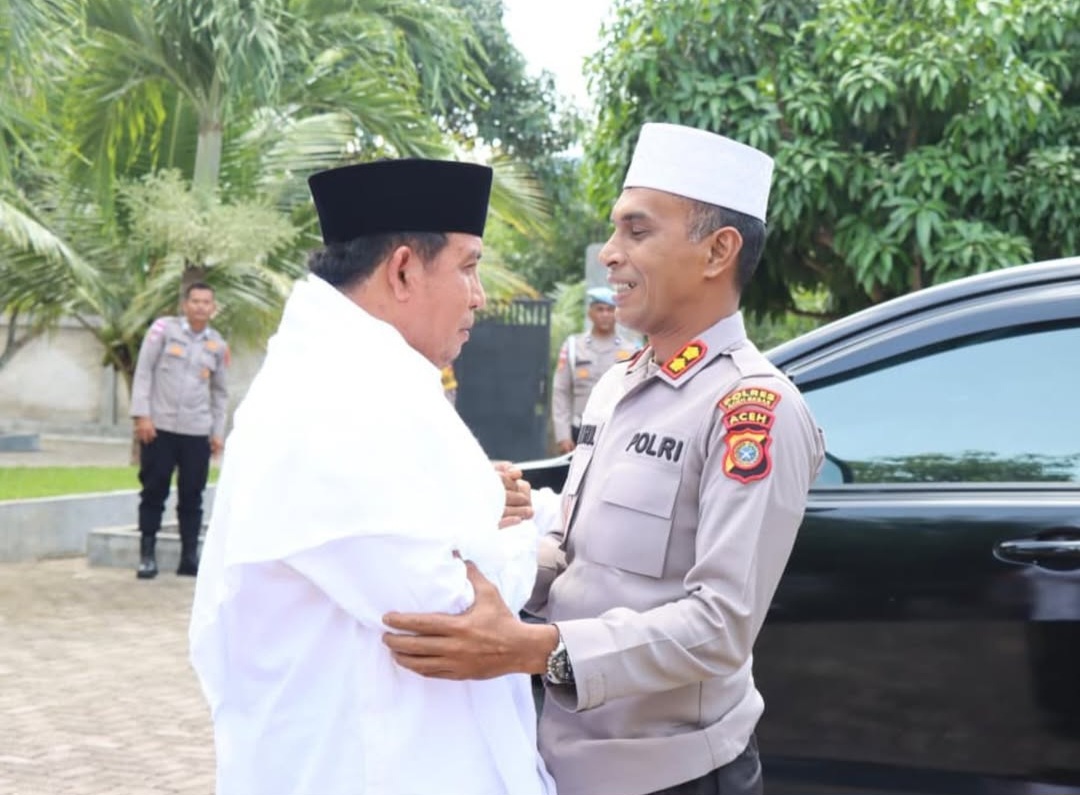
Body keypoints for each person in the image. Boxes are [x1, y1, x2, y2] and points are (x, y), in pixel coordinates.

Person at [383, 123, 826, 795]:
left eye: (637, 232)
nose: (610, 256)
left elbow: (719, 628)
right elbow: (570, 551)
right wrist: (475, 561)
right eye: (615, 233)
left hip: (674, 774)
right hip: (563, 756)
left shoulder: (753, 410)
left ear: (718, 251)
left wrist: (531, 647)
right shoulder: (620, 383)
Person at [187, 158, 555, 795]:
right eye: (468, 266)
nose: (480, 295)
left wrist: (485, 512)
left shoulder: (369, 381)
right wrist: (534, 539)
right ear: (405, 270)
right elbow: (451, 609)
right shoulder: (331, 400)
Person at [130, 281, 228, 579]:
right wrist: (142, 415)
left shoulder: (218, 345)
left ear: (213, 308)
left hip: (196, 431)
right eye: (195, 301)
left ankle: (189, 558)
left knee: (192, 495)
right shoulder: (163, 330)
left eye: (206, 302)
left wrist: (217, 432)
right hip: (159, 428)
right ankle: (147, 556)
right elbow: (144, 371)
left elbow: (220, 393)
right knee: (153, 490)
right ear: (185, 305)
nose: (200, 306)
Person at [551, 286, 637, 453]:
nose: (605, 315)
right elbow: (561, 391)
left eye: (610, 310)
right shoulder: (573, 347)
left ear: (617, 313)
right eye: (600, 309)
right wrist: (563, 435)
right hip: (580, 430)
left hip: (616, 430)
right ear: (590, 313)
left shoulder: (632, 350)